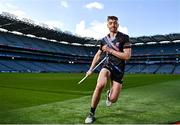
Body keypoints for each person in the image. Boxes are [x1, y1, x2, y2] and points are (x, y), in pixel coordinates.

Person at [84, 16, 132, 124]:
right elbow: (98, 55)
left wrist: (110, 50)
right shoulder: (104, 40)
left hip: (119, 70)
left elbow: (127, 56)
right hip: (107, 66)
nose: (113, 25)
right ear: (107, 25)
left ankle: (109, 94)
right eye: (110, 23)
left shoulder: (124, 38)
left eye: (115, 23)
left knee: (113, 99)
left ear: (118, 25)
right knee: (100, 84)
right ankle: (91, 113)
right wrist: (90, 69)